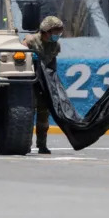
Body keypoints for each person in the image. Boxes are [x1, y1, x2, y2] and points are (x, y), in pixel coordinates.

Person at [24, 15, 64, 154]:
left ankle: (42, 144)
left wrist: (52, 82)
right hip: (29, 83)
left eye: (59, 32)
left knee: (43, 115)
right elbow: (19, 59)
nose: (57, 35)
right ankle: (26, 144)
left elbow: (52, 64)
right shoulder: (30, 41)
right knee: (27, 115)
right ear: (46, 31)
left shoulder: (55, 45)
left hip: (44, 83)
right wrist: (29, 56)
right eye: (55, 32)